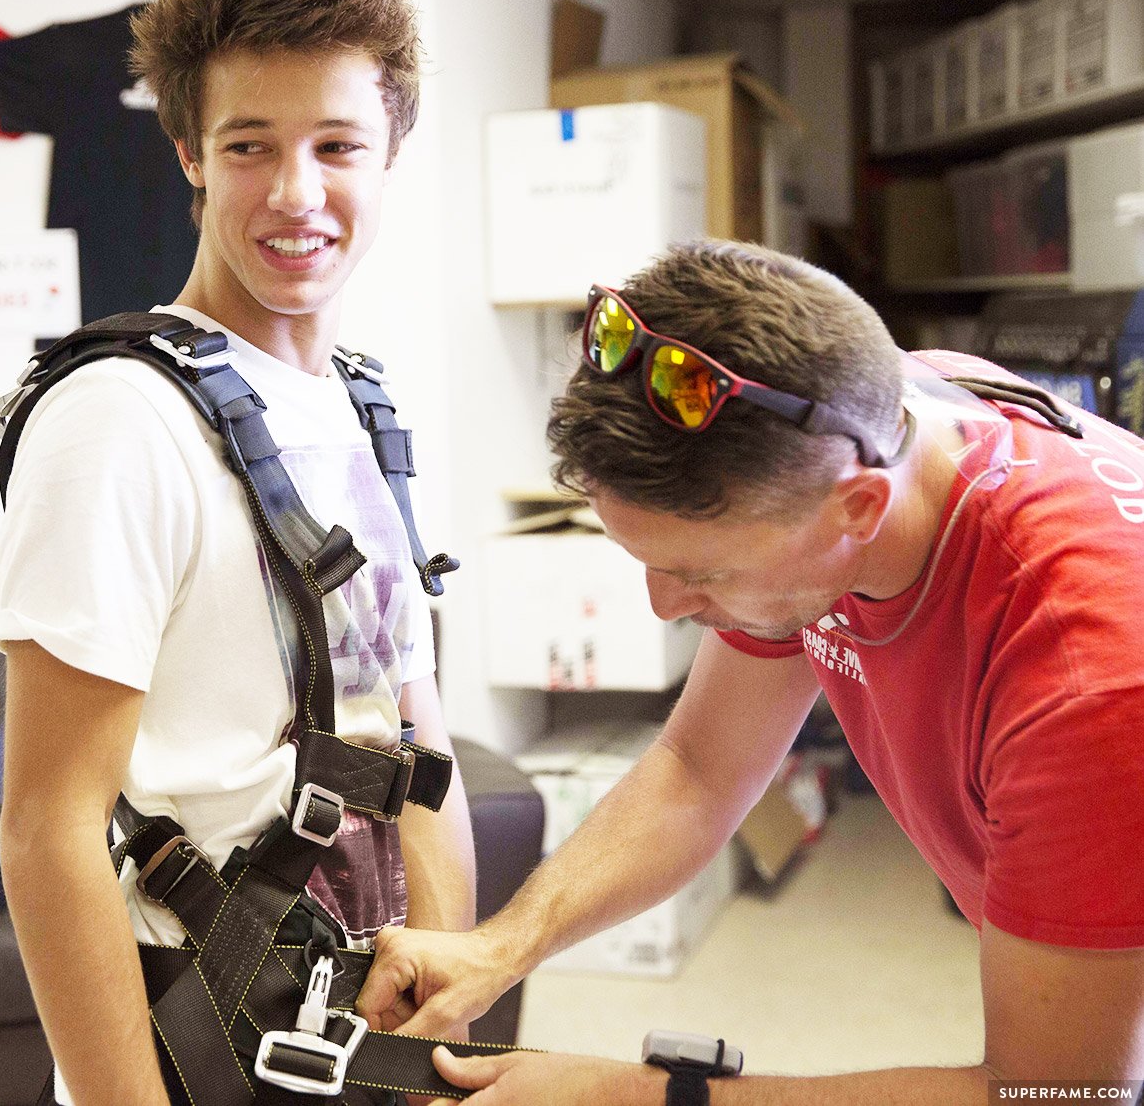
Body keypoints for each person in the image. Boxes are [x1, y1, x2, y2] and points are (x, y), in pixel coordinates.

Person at [358, 240, 1144, 1102]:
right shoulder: (875, 421)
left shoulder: (1089, 682)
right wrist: (498, 948)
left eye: (703, 573)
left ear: (860, 509)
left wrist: (650, 1096)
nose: (666, 606)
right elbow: (701, 770)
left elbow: (1065, 1095)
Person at [0, 0, 474, 1103]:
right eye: (249, 144)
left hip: (375, 1036)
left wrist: (454, 1001)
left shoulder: (366, 409)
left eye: (337, 145)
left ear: (390, 150)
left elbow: (421, 744)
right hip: (195, 1047)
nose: (295, 192)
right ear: (189, 156)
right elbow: (47, 823)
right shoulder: (118, 419)